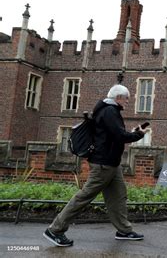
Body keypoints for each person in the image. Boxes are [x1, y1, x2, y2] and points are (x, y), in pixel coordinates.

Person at [43, 84, 147, 247]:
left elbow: (113, 134)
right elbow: (120, 136)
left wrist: (133, 133)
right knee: (84, 197)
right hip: (103, 164)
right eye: (126, 98)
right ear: (118, 98)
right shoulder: (109, 111)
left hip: (112, 164)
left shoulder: (107, 110)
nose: (128, 101)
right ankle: (55, 229)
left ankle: (124, 230)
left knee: (118, 197)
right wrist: (138, 134)